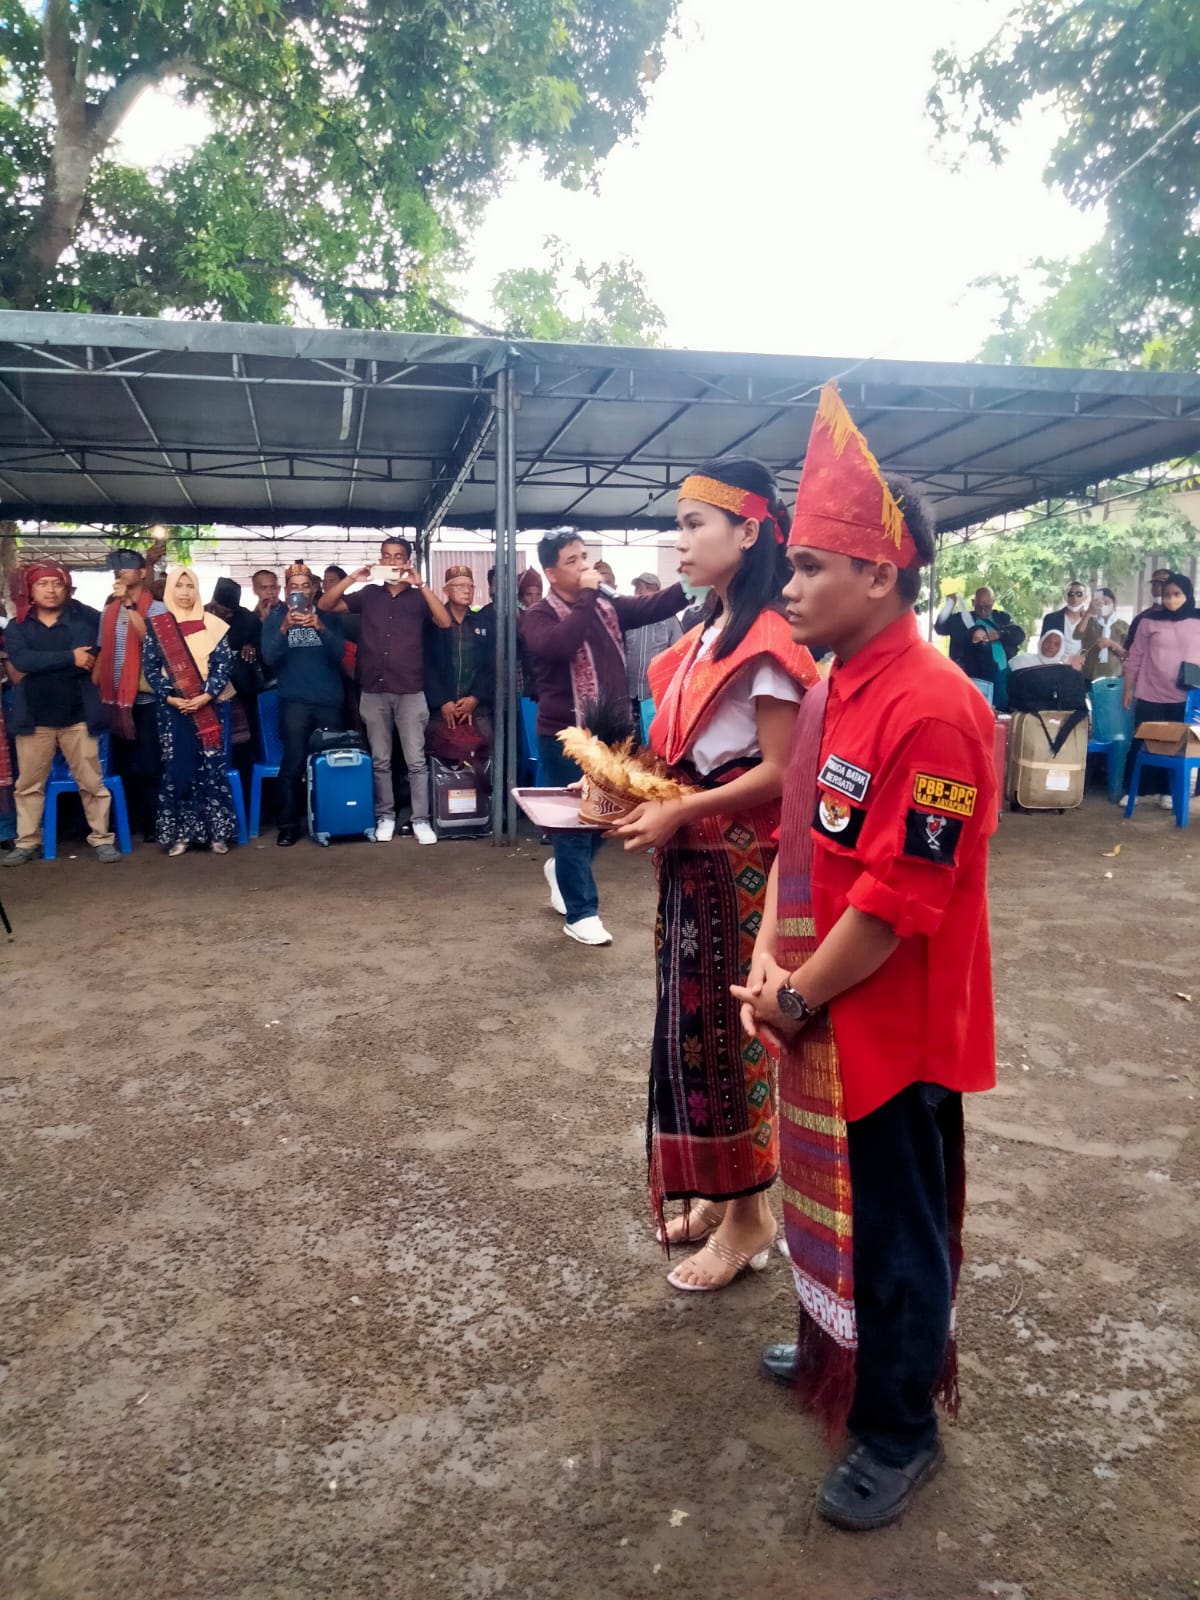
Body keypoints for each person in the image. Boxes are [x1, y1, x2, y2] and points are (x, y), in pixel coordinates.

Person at [732, 382, 996, 1532]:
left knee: (897, 1228)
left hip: (893, 1023)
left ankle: (898, 1427)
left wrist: (792, 992)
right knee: (828, 1202)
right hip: (822, 999)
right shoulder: (841, 684)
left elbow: (896, 904)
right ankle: (837, 1346)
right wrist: (765, 967)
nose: (787, 590)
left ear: (881, 574)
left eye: (808, 567)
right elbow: (801, 843)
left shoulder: (930, 707)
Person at [608, 459, 818, 1290]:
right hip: (697, 861)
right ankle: (720, 1191)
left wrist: (683, 811)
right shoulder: (707, 629)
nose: (680, 539)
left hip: (741, 867)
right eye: (680, 522)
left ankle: (750, 1219)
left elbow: (780, 772)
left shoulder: (766, 638)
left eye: (697, 524)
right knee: (689, 1035)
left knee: (731, 1042)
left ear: (750, 530)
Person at [521, 530, 686, 946]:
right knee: (575, 824)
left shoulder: (607, 605)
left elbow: (654, 605)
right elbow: (561, 645)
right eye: (573, 561)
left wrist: (696, 579)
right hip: (565, 737)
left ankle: (560, 869)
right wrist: (591, 597)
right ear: (552, 573)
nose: (584, 566)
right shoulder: (538, 615)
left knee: (609, 818)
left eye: (585, 557)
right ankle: (581, 914)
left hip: (611, 735)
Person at [318, 537, 450, 845]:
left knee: (416, 761)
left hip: (410, 689)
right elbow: (325, 605)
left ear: (407, 561)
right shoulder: (369, 594)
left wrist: (422, 585)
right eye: (387, 556)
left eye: (398, 556)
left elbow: (444, 622)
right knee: (380, 759)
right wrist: (353, 577)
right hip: (374, 689)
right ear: (380, 559)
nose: (392, 561)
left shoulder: (418, 598)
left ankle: (420, 820)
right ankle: (386, 816)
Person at [2, 561, 121, 866]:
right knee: (28, 785)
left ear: (66, 587)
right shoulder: (18, 626)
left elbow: (91, 657)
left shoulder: (85, 619)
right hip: (34, 718)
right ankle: (27, 842)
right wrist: (70, 657)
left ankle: (102, 839)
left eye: (57, 583)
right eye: (42, 584)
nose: (51, 590)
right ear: (30, 589)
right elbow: (23, 660)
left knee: (92, 783)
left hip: (78, 715)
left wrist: (50, 662)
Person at [142, 567, 239, 856]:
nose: (185, 592)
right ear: (170, 590)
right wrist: (171, 698)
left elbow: (223, 665)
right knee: (178, 769)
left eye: (190, 586)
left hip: (208, 709)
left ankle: (216, 835)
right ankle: (181, 836)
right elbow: (150, 669)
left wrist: (206, 696)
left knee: (211, 769)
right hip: (173, 711)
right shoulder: (158, 626)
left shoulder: (213, 624)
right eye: (179, 586)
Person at [261, 562, 348, 846]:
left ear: (314, 589)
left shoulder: (329, 617)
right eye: (293, 587)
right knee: (293, 765)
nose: (299, 591)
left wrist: (321, 628)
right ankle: (288, 825)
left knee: (331, 764)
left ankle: (332, 820)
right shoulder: (275, 618)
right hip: (294, 702)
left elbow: (340, 655)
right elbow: (269, 659)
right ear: (287, 592)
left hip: (328, 701)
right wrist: (285, 628)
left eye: (305, 586)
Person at [95, 546, 162, 840]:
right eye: (117, 567)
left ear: (143, 573)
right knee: (122, 766)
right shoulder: (108, 612)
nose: (120, 571)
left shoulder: (158, 608)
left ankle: (152, 823)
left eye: (127, 566)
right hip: (116, 703)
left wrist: (130, 605)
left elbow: (149, 639)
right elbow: (102, 653)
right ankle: (128, 822)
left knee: (150, 764)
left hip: (148, 701)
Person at [1123, 572, 1200, 809]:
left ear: (1187, 595)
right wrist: (1128, 687)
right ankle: (1137, 791)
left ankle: (1169, 791)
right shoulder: (1149, 621)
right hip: (1150, 693)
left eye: (1177, 594)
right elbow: (1135, 656)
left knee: (1178, 745)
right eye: (1167, 595)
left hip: (1185, 697)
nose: (1171, 599)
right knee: (1144, 741)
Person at [424, 565, 494, 752]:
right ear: (446, 590)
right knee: (440, 760)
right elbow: (427, 665)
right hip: (440, 710)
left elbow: (490, 666)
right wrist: (442, 701)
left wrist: (474, 698)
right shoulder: (433, 623)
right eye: (459, 586)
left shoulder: (483, 623)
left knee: (481, 760)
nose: (466, 590)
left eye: (470, 586)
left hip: (476, 709)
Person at [933, 586, 1024, 708]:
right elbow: (940, 628)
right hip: (972, 676)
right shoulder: (961, 620)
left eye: (987, 606)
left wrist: (998, 634)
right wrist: (949, 605)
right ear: (973, 603)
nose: (983, 610)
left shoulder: (1002, 618)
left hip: (1001, 674)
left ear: (993, 603)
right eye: (979, 606)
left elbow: (1019, 635)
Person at [624, 572, 684, 719]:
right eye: (637, 587)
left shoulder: (669, 618)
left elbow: (680, 653)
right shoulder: (628, 616)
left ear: (657, 590)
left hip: (656, 695)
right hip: (627, 695)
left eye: (643, 587)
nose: (638, 591)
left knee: (652, 738)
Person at [1077, 587, 1128, 682]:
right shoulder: (1090, 622)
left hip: (1113, 675)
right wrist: (1088, 612)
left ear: (1114, 603)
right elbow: (1077, 635)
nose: (1103, 606)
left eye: (1106, 602)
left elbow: (1127, 654)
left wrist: (1112, 644)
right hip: (1089, 674)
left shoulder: (1123, 625)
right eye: (1099, 603)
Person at [1123, 567, 1172, 654]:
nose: (1157, 588)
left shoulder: (1182, 618)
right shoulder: (1141, 618)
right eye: (1154, 584)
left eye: (1162, 584)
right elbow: (1129, 649)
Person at [1041, 581, 1090, 661]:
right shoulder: (1051, 619)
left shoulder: (1090, 621)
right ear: (1065, 597)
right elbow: (1043, 646)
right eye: (1070, 594)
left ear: (1085, 597)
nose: (1074, 598)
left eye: (1079, 594)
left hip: (1082, 667)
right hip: (1056, 665)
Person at [250, 569, 281, 686]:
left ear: (278, 588)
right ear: (255, 590)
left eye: (273, 587)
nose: (270, 592)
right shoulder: (249, 619)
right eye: (264, 588)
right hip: (265, 680)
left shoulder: (290, 613)